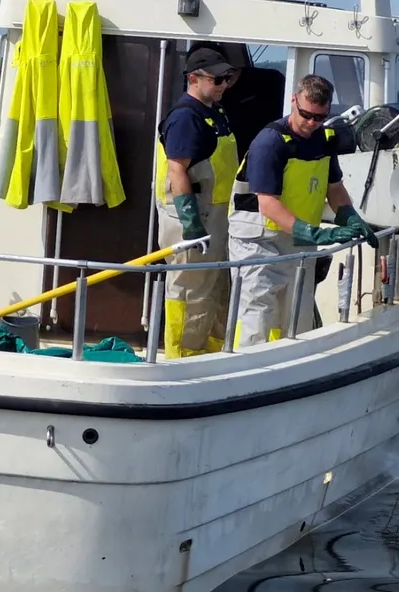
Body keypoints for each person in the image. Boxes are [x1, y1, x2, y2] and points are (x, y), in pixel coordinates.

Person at [227, 74, 378, 349]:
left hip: (297, 241)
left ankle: (287, 368)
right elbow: (267, 203)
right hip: (257, 240)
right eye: (306, 114)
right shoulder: (270, 142)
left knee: (297, 316)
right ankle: (243, 371)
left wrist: (350, 217)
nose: (312, 123)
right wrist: (315, 234)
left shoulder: (324, 139)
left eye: (319, 117)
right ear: (293, 101)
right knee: (257, 314)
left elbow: (334, 188)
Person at [154, 47, 240, 358]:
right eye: (218, 79)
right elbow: (176, 169)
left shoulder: (214, 111)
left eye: (228, 78)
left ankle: (211, 353)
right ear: (193, 79)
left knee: (214, 290)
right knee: (190, 292)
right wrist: (191, 224)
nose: (224, 85)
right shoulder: (185, 118)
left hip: (217, 216)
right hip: (195, 220)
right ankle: (181, 355)